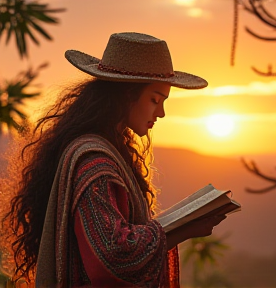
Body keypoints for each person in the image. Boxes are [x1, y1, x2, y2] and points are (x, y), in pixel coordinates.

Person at [3, 32, 226, 288]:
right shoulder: (95, 163)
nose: (161, 113)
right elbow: (111, 256)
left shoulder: (104, 151)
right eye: (155, 99)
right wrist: (186, 229)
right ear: (126, 95)